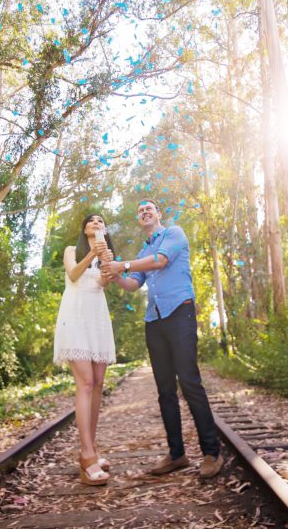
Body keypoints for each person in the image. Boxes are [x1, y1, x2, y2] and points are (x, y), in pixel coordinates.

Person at [103, 199, 224, 479]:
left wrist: (123, 264)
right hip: (154, 321)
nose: (144, 211)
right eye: (140, 209)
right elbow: (133, 284)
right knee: (165, 390)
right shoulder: (143, 249)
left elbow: (161, 261)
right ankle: (177, 454)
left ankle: (212, 452)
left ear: (158, 214)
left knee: (190, 382)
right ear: (139, 219)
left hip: (180, 312)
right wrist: (114, 273)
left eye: (149, 208)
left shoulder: (174, 234)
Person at [53, 213, 118, 486]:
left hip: (97, 319)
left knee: (99, 382)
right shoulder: (73, 250)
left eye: (101, 221)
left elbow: (103, 284)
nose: (96, 223)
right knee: (86, 382)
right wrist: (92, 251)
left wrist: (106, 262)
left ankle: (90, 449)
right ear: (84, 229)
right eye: (91, 221)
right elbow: (74, 274)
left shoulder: (107, 254)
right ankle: (87, 455)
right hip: (75, 317)